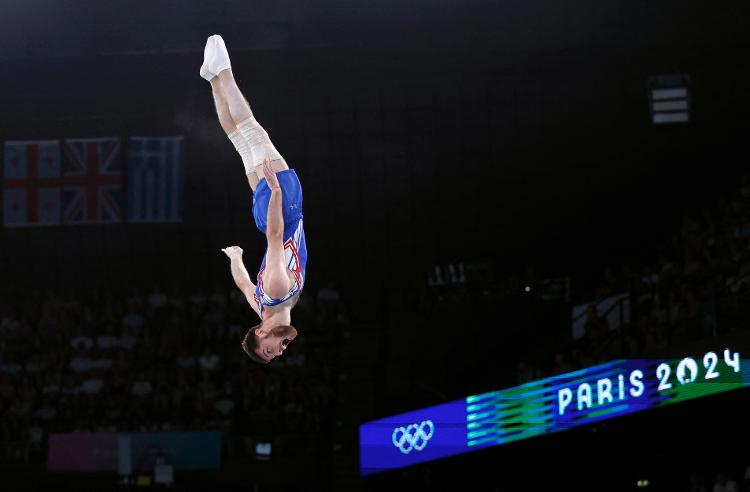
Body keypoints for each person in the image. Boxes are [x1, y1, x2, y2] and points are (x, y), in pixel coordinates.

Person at [200, 34, 306, 363]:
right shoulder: (263, 304)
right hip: (265, 215)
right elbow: (244, 284)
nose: (280, 350)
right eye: (277, 354)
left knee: (252, 132)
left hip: (281, 210)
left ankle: (224, 72)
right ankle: (214, 81)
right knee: (240, 141)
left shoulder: (276, 293)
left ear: (260, 332)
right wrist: (235, 259)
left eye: (271, 350)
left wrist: (275, 191)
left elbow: (276, 238)